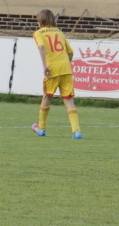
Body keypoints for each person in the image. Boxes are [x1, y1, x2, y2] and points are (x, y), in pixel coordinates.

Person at [31, 9, 82, 139]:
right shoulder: (59, 32)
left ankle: (41, 128)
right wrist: (65, 64)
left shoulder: (38, 33)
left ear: (40, 21)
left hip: (52, 70)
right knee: (68, 99)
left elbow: (42, 47)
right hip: (66, 69)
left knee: (47, 97)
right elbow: (70, 52)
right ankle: (76, 131)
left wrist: (44, 65)